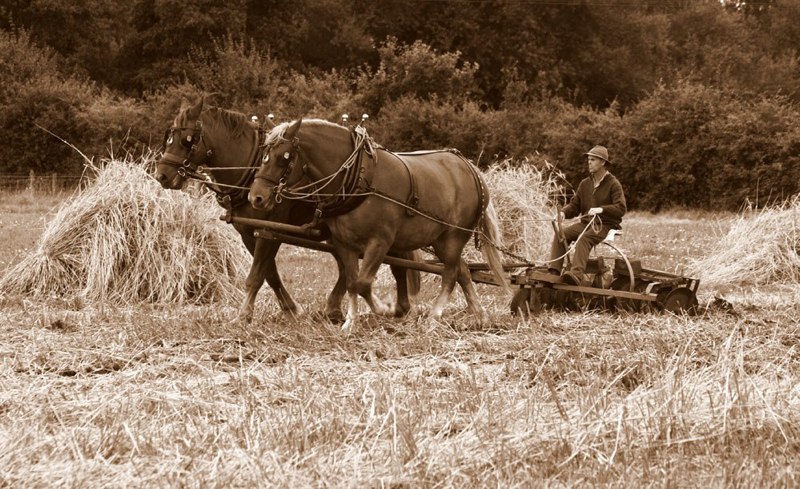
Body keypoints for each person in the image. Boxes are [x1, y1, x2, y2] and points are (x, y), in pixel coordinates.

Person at [549, 145, 627, 286]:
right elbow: (575, 206)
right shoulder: (585, 184)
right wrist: (563, 213)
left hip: (605, 225)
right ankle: (553, 272)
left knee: (585, 238)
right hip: (586, 223)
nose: (589, 162)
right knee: (562, 234)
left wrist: (601, 210)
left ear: (603, 162)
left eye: (593, 160)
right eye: (588, 160)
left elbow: (621, 208)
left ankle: (576, 275)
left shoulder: (613, 184)